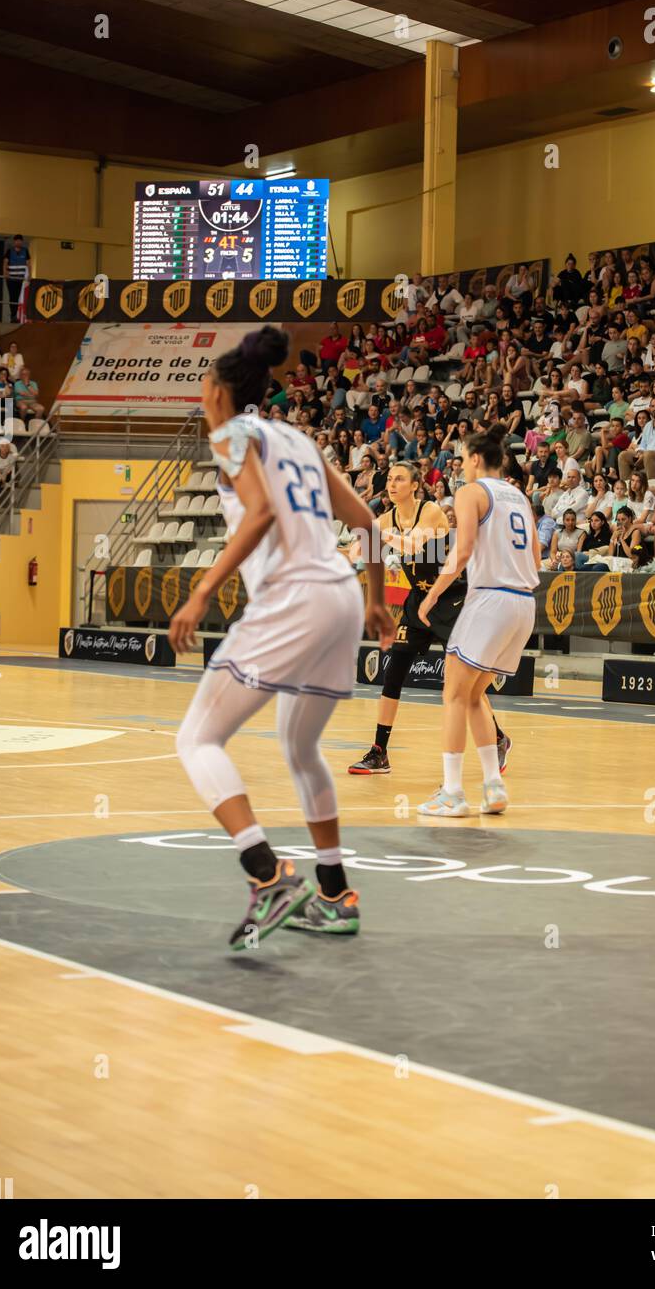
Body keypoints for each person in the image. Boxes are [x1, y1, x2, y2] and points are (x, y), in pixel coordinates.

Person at [169, 327, 396, 945]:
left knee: (197, 739)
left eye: (202, 387)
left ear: (218, 391)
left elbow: (263, 510)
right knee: (299, 749)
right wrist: (375, 599)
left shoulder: (229, 435)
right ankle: (335, 893)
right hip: (341, 598)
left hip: (293, 600)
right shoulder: (296, 438)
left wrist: (201, 590)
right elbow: (369, 521)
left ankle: (268, 878)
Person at [347, 461, 511, 776]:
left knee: (466, 679)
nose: (392, 484)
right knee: (393, 670)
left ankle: (498, 738)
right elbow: (358, 550)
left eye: (399, 479)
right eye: (390, 479)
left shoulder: (431, 511)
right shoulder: (385, 519)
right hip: (419, 601)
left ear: (415, 485)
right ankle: (379, 751)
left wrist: (380, 535)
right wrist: (352, 549)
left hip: (452, 600)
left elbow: (414, 544)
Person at [416, 424, 539, 818]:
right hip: (524, 603)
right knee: (472, 696)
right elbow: (537, 558)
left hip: (491, 599)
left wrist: (433, 592)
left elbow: (464, 548)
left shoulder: (470, 492)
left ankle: (452, 793)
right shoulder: (519, 496)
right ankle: (493, 786)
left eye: (462, 458)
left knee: (452, 694)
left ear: (473, 459)